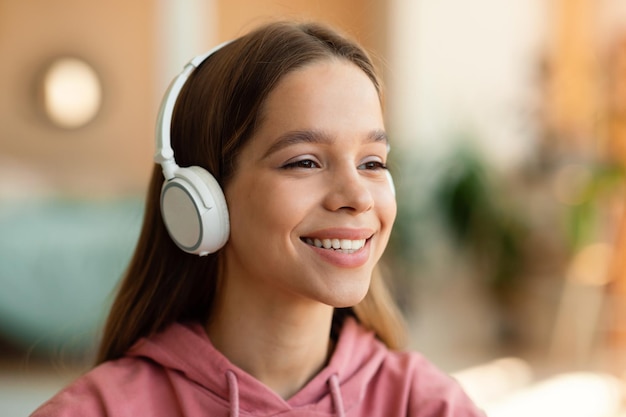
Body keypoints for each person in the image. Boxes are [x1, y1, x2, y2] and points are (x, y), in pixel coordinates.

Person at [32, 20, 485, 416]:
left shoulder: (429, 405)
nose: (357, 197)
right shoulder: (97, 411)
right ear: (201, 199)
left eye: (373, 163)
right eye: (304, 161)